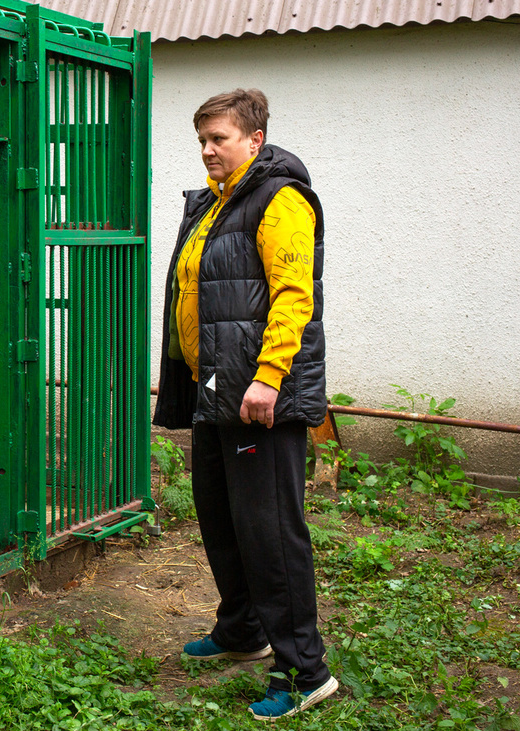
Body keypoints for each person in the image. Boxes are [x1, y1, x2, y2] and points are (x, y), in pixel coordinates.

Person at [153, 88, 336, 720]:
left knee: (270, 533)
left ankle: (305, 671)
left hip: (262, 396)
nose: (206, 150)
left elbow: (292, 294)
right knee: (221, 516)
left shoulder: (278, 199)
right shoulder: (214, 202)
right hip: (218, 392)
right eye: (201, 140)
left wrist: (268, 375)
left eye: (218, 139)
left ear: (254, 141)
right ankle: (243, 630)